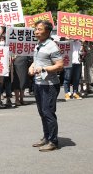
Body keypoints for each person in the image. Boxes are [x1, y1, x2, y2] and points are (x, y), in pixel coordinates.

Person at [29, 20, 64, 152]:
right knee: (42, 112)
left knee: (48, 113)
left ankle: (53, 141)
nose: (36, 31)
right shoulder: (38, 44)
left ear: (48, 31)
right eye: (36, 29)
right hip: (38, 83)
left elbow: (60, 66)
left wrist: (43, 69)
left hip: (49, 85)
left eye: (39, 29)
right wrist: (31, 67)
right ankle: (46, 137)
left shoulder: (52, 46)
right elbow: (36, 61)